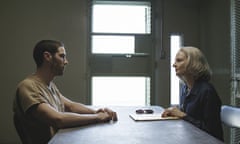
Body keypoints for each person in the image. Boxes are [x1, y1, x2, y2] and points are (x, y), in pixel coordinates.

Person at [13, 40, 118, 144]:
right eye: (62, 56)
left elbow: (71, 106)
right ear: (47, 56)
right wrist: (97, 118)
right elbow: (58, 119)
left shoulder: (49, 85)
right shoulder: (28, 86)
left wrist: (96, 112)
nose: (66, 61)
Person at [161, 46, 223, 141]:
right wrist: (175, 113)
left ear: (193, 63)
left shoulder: (207, 91)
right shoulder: (184, 88)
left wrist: (183, 115)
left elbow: (212, 132)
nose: (174, 65)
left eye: (179, 60)